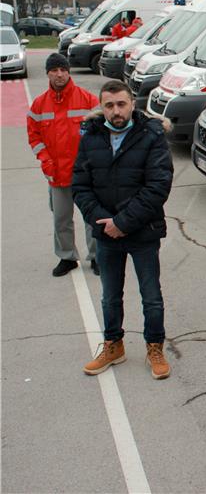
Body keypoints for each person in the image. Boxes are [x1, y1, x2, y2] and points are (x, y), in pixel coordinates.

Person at [73, 79, 174, 379]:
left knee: (151, 295)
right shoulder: (90, 136)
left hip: (143, 233)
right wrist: (104, 221)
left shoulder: (152, 135)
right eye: (109, 105)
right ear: (101, 107)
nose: (116, 111)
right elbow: (80, 186)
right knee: (109, 296)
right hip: (106, 233)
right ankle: (113, 345)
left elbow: (158, 186)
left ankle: (154, 346)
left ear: (132, 104)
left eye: (121, 104)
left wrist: (123, 223)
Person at [27, 53, 99, 277]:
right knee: (61, 219)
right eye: (54, 70)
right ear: (47, 73)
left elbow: (101, 134)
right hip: (57, 174)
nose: (59, 74)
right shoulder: (38, 105)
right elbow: (34, 137)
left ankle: (98, 257)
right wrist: (46, 162)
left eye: (63, 69)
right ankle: (67, 257)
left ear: (68, 71)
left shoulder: (88, 100)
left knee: (92, 218)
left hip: (86, 174)